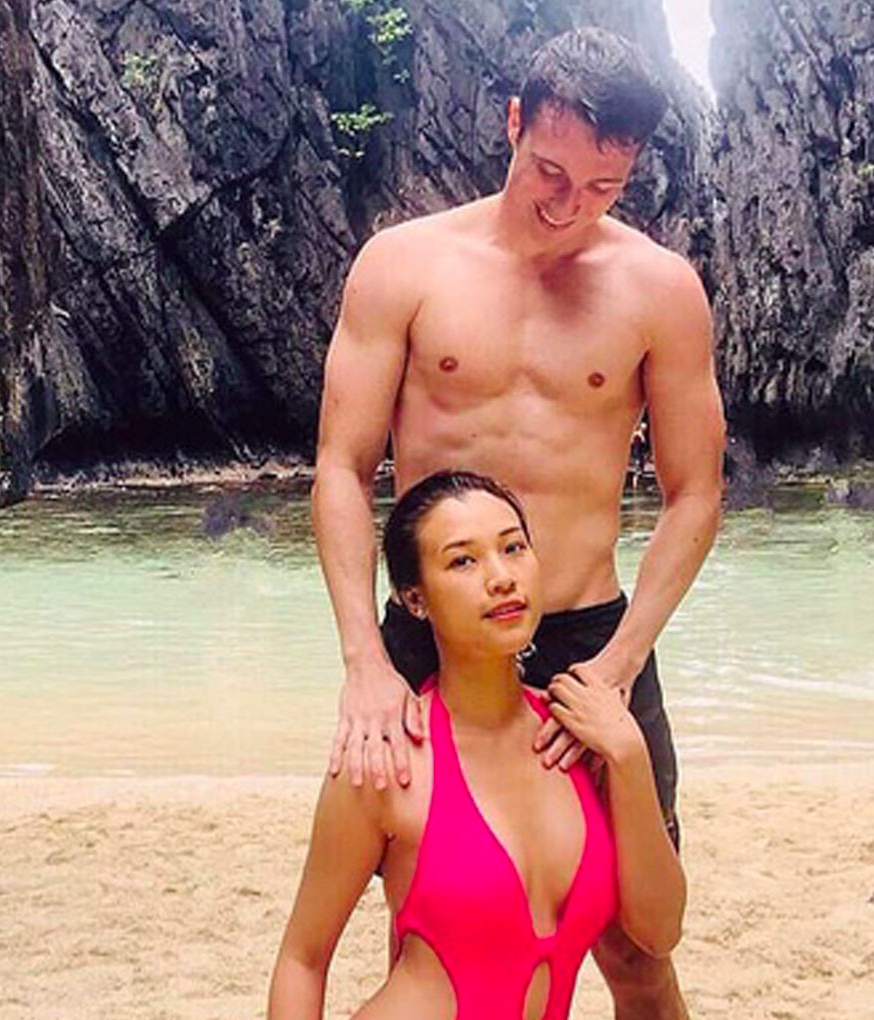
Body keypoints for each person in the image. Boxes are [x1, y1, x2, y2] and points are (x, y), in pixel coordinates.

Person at [309, 27, 725, 1017]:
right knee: (436, 924)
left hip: (589, 641)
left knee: (637, 948)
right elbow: (341, 467)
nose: (568, 205)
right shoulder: (403, 266)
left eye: (602, 187)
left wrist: (620, 662)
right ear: (512, 124)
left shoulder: (660, 290)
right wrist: (365, 660)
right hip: (430, 636)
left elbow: (695, 494)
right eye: (550, 171)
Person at [270, 470, 686, 1018]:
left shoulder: (586, 743)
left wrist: (629, 755)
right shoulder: (389, 759)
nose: (501, 578)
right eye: (463, 560)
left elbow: (659, 932)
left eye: (513, 548)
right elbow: (303, 959)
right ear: (415, 598)